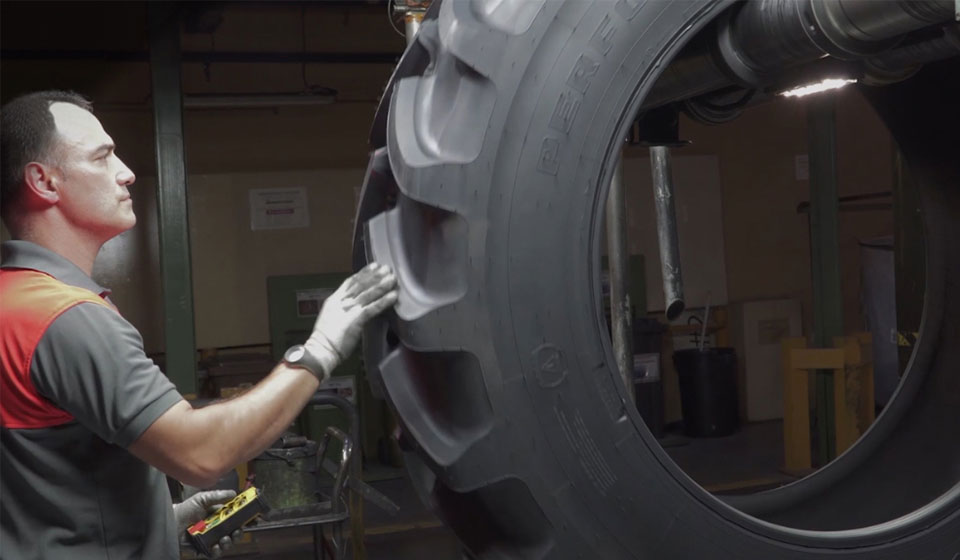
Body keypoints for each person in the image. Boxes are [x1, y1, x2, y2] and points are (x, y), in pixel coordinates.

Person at [0, 90, 398, 559]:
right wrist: (321, 348)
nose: (126, 172)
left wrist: (160, 522)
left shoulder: (14, 302)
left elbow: (37, 478)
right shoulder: (66, 318)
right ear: (43, 181)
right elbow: (201, 453)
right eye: (102, 157)